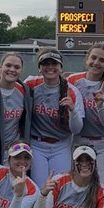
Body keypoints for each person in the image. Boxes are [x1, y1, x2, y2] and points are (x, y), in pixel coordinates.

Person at [25, 50, 84, 186]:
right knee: (39, 187)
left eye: (54, 63)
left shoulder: (71, 91)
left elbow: (77, 128)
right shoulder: (31, 84)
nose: (50, 67)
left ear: (61, 67)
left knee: (59, 185)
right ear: (39, 68)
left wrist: (72, 110)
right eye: (45, 64)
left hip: (60, 144)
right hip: (37, 144)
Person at [68, 45, 104, 181]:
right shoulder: (73, 81)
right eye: (93, 58)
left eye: (102, 60)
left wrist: (100, 105)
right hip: (80, 140)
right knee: (80, 182)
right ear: (87, 59)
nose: (96, 63)